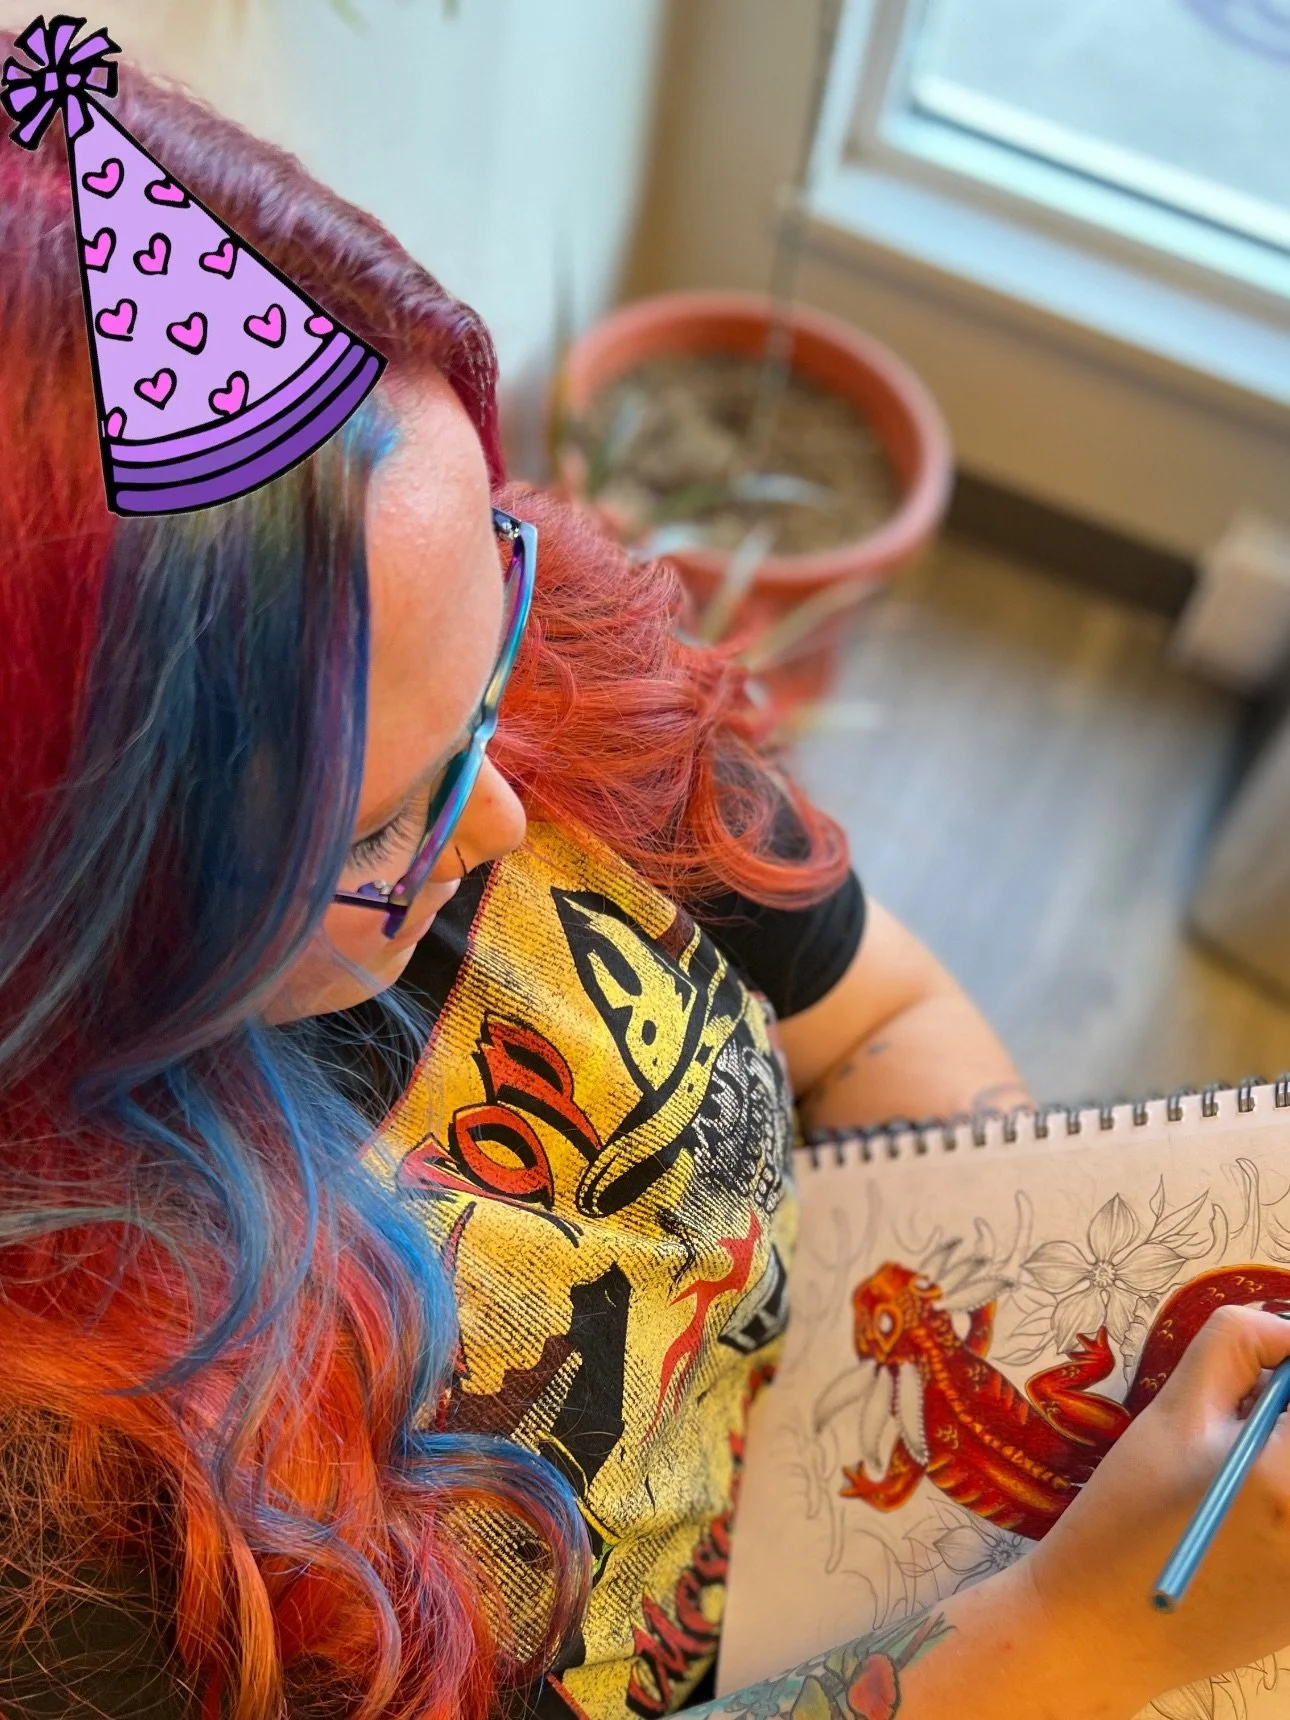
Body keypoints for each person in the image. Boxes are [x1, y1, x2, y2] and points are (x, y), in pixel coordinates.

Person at [1, 38, 1289, 1720]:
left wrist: (1019, 1383)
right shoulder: (71, 1539)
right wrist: (1065, 1637)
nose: (504, 820)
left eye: (488, 644)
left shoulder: (537, 685)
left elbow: (870, 1012)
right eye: (375, 828)